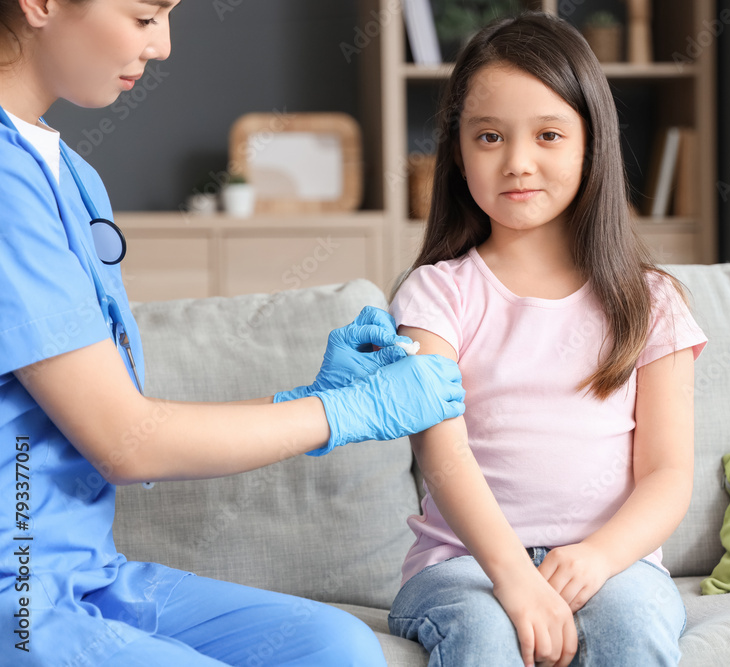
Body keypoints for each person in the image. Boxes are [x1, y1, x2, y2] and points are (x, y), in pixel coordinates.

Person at [0, 1, 465, 664]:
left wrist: (302, 397)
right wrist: (341, 411)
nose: (162, 46)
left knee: (338, 647)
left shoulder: (71, 173)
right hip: (16, 602)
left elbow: (127, 416)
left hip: (87, 576)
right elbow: (124, 444)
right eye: (144, 16)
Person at [385, 11, 709, 667]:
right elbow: (443, 458)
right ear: (457, 151)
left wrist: (598, 556)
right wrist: (513, 577)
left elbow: (669, 475)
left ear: (592, 144)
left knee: (630, 627)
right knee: (482, 633)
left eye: (550, 135)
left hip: (610, 562)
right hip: (464, 564)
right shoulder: (434, 295)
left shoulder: (653, 301)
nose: (518, 162)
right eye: (489, 136)